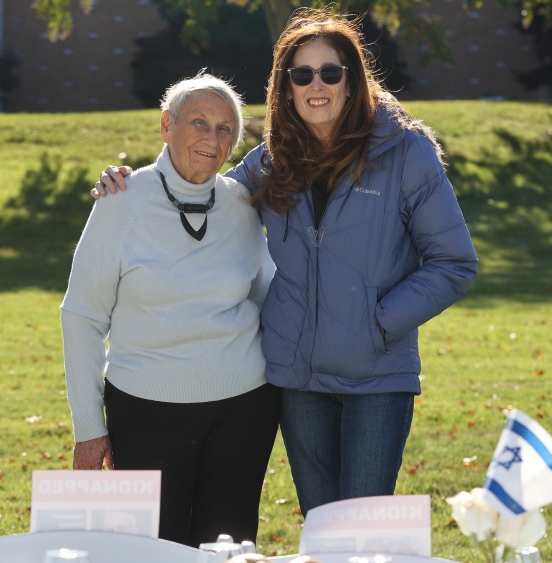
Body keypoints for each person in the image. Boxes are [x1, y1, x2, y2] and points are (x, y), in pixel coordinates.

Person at [91, 8, 478, 517]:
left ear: (351, 80)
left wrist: (379, 322)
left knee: (359, 526)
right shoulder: (275, 157)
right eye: (302, 74)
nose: (316, 84)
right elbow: (206, 188)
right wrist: (130, 184)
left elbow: (453, 262)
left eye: (330, 72)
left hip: (376, 377)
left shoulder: (406, 153)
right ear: (287, 86)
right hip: (298, 381)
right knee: (320, 525)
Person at [60, 72, 281, 547]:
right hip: (144, 411)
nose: (212, 138)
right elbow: (81, 315)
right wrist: (88, 426)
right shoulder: (120, 201)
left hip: (244, 410)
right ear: (166, 124)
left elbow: (265, 294)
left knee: (230, 545)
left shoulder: (244, 204)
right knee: (151, 550)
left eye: (226, 129)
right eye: (198, 122)